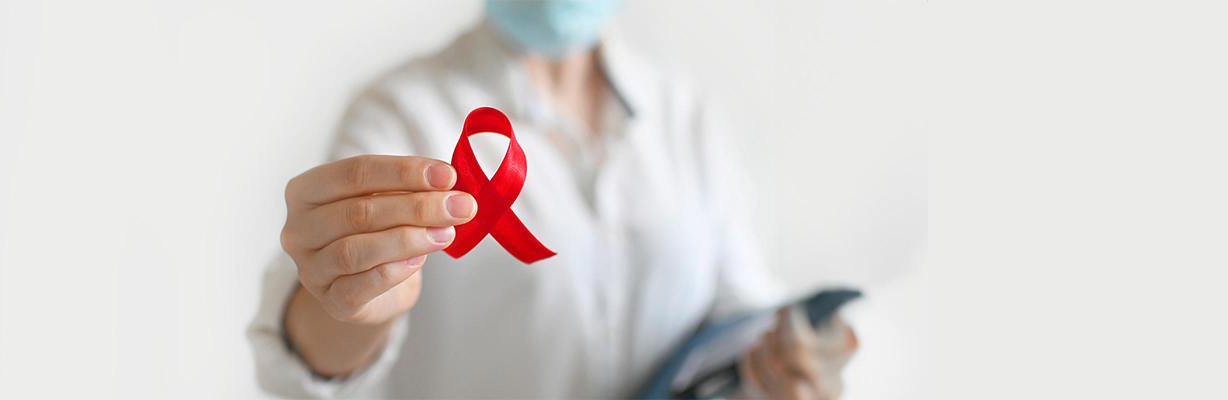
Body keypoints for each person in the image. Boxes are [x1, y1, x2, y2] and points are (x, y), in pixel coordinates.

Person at [248, 1, 859, 398]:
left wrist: (789, 365)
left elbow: (739, 316)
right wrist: (350, 301)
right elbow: (311, 359)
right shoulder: (401, 115)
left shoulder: (682, 114)